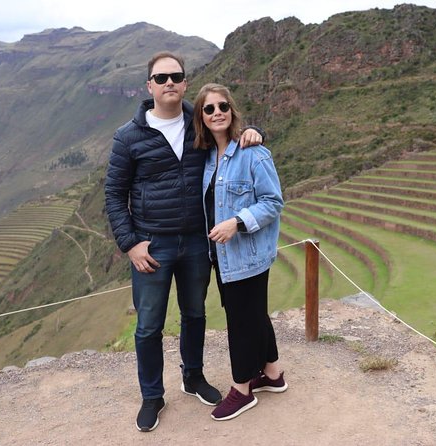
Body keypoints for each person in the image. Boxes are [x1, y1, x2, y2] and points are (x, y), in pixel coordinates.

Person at [104, 52, 264, 432]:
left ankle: (193, 377)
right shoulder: (129, 137)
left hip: (195, 240)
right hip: (152, 244)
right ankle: (152, 396)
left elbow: (230, 130)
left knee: (195, 314)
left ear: (185, 82)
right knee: (148, 326)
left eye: (176, 76)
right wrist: (130, 243)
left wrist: (254, 133)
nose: (169, 82)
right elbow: (114, 194)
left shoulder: (200, 126)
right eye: (161, 78)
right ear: (149, 86)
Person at [193, 83, 287, 421]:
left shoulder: (253, 153)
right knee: (253, 314)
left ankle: (242, 389)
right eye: (209, 109)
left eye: (223, 106)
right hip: (222, 256)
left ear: (232, 111)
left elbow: (273, 202)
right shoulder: (206, 158)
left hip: (246, 254)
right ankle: (272, 374)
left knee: (241, 321)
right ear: (201, 118)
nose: (217, 112)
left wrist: (237, 222)